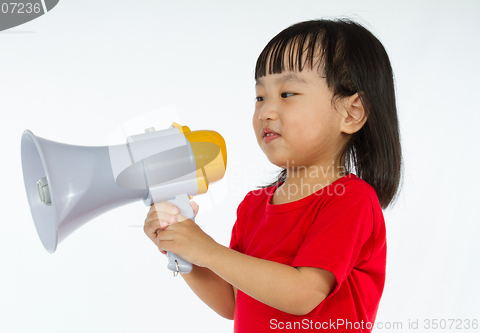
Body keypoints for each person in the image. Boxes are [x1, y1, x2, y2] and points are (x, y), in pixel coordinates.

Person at [143, 18, 403, 332]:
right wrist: (181, 247)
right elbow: (231, 302)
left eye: (288, 93)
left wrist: (206, 249)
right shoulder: (253, 206)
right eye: (260, 96)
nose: (265, 111)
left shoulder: (351, 200)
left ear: (351, 113)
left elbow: (303, 293)